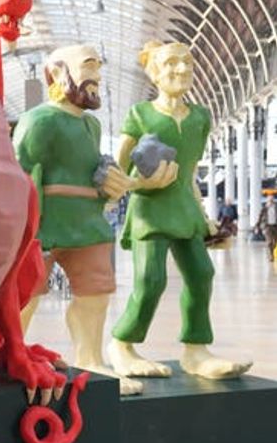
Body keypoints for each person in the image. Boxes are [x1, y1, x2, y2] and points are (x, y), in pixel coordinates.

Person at [107, 41, 252, 380]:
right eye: (172, 63)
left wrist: (204, 216)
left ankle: (196, 349)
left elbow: (189, 174)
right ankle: (122, 344)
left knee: (202, 274)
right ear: (155, 73)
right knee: (150, 280)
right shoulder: (140, 115)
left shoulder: (200, 117)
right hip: (149, 211)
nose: (182, 69)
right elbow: (116, 172)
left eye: (187, 62)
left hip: (185, 209)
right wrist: (140, 184)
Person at [13, 45, 141, 395]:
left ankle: (91, 359)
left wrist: (109, 185)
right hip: (44, 224)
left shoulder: (91, 124)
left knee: (95, 292)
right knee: (26, 293)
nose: (96, 76)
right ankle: (9, 355)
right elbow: (22, 171)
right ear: (56, 73)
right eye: (88, 66)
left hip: (87, 224)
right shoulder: (39, 120)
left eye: (98, 68)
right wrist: (26, 227)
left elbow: (88, 171)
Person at [256, 194, 277, 261]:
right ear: (267, 201)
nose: (271, 201)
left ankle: (271, 251)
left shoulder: (276, 207)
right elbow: (259, 217)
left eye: (272, 200)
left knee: (275, 242)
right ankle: (271, 256)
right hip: (267, 226)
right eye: (269, 200)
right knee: (269, 242)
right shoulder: (264, 208)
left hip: (275, 226)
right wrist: (257, 226)